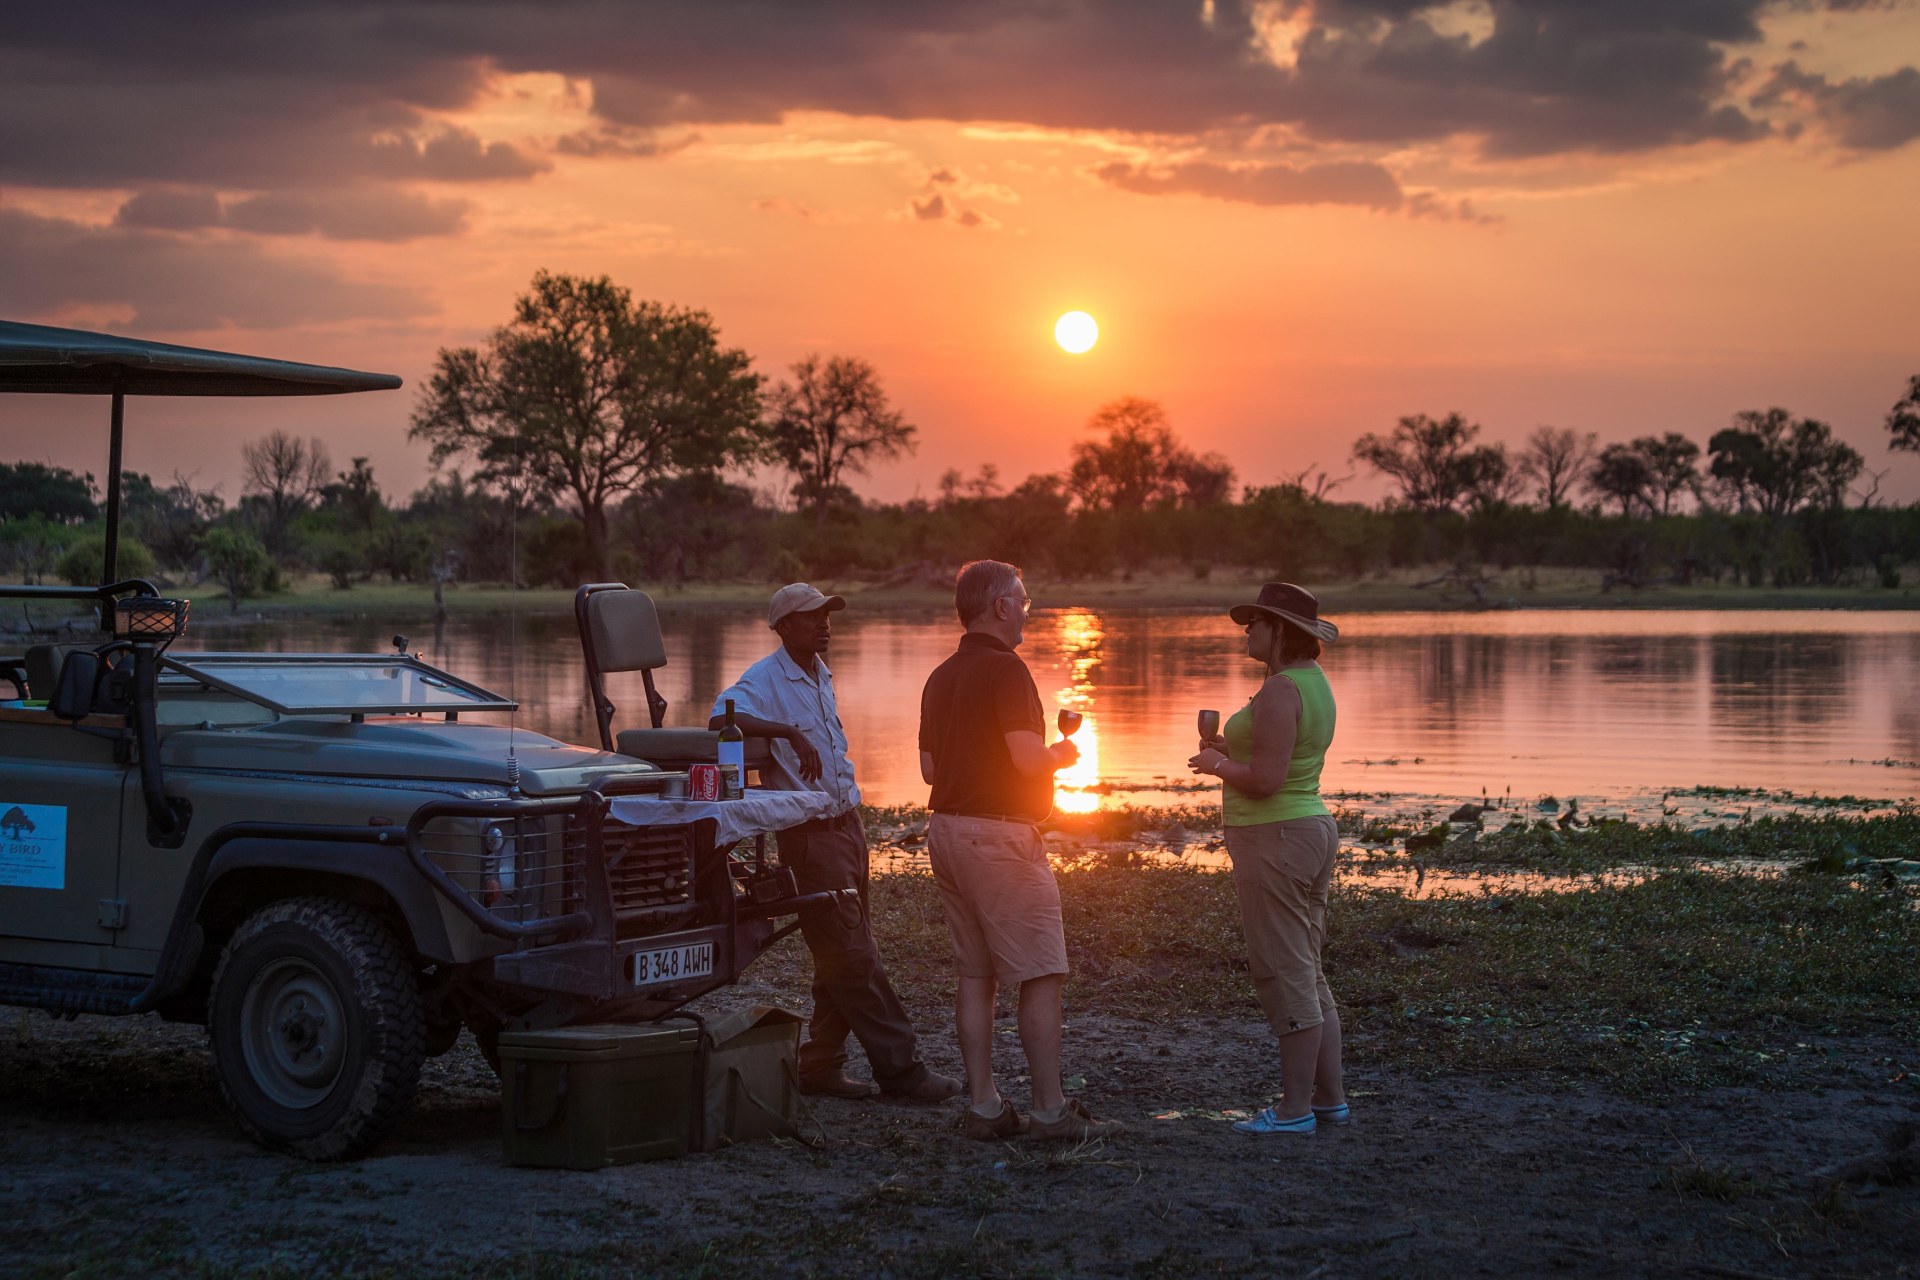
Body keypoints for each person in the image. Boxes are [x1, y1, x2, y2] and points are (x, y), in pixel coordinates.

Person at [711, 582, 959, 1103]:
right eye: (810, 616)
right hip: (810, 836)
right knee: (852, 955)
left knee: (839, 953)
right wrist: (787, 733)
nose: (824, 623)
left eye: (826, 614)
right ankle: (903, 1071)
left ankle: (819, 1065)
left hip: (846, 824)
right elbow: (720, 716)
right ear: (782, 627)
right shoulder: (765, 678)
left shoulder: (819, 671)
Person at [918, 559, 1125, 1142]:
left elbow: (931, 769)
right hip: (999, 839)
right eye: (1024, 600)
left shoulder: (940, 675)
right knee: (1041, 974)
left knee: (976, 974)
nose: (1028, 610)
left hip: (948, 834)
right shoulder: (1007, 670)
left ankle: (984, 1106)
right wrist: (1061, 754)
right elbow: (1027, 760)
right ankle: (1050, 1111)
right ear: (1001, 607)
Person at [1188, 581, 1348, 1136]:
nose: (1247, 631)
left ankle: (1293, 1110)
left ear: (1279, 629)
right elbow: (1285, 756)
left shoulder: (1281, 689)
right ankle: (1329, 1099)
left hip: (1276, 833)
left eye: (1254, 622)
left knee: (1283, 970)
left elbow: (1264, 781)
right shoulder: (1311, 683)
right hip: (1306, 827)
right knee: (1306, 968)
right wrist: (1234, 754)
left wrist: (1214, 767)